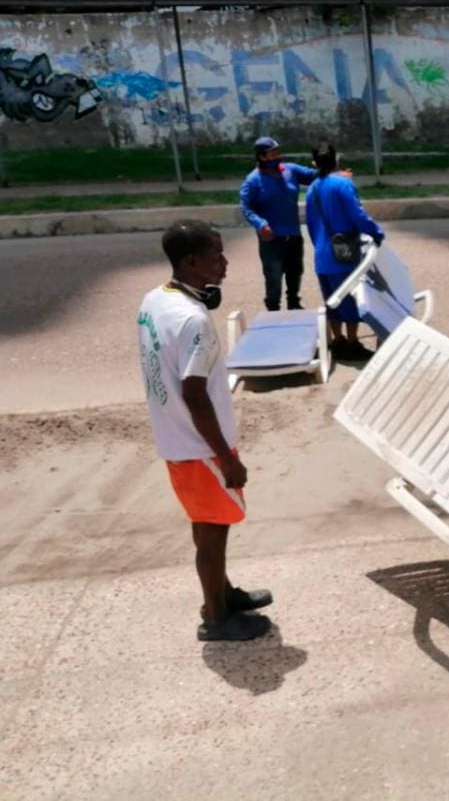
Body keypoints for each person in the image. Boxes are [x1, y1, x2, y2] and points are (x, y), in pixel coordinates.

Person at [136, 220, 273, 642]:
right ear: (191, 261)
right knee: (212, 533)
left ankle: (224, 593)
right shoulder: (194, 321)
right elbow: (195, 394)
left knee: (205, 523)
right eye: (217, 253)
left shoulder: (155, 299)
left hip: (176, 440)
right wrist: (228, 459)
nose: (225, 261)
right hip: (201, 447)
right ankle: (216, 618)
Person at [305, 139, 386, 360]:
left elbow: (311, 225)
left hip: (322, 255)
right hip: (344, 253)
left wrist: (320, 246)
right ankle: (352, 342)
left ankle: (338, 340)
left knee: (331, 297)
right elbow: (357, 216)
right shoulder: (343, 185)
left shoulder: (312, 189)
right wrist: (377, 233)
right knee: (349, 297)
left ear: (315, 163)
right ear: (336, 159)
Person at [239, 136, 317, 311]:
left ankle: (294, 303)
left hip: (293, 235)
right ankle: (273, 309)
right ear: (262, 157)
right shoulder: (253, 180)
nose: (277, 156)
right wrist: (260, 224)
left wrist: (330, 169)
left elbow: (314, 176)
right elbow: (245, 206)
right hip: (271, 240)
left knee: (295, 271)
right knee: (273, 277)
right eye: (272, 153)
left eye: (277, 152)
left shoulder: (290, 171)